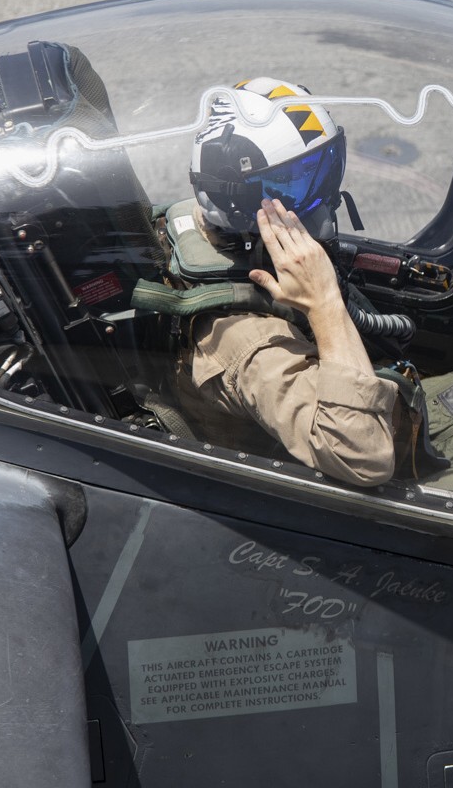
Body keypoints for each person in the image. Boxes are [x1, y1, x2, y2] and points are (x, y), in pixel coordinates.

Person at [161, 78, 401, 486]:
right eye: (292, 186)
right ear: (236, 198)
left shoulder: (193, 227)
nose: (320, 202)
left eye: (320, 173)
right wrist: (325, 302)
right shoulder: (247, 341)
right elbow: (364, 457)